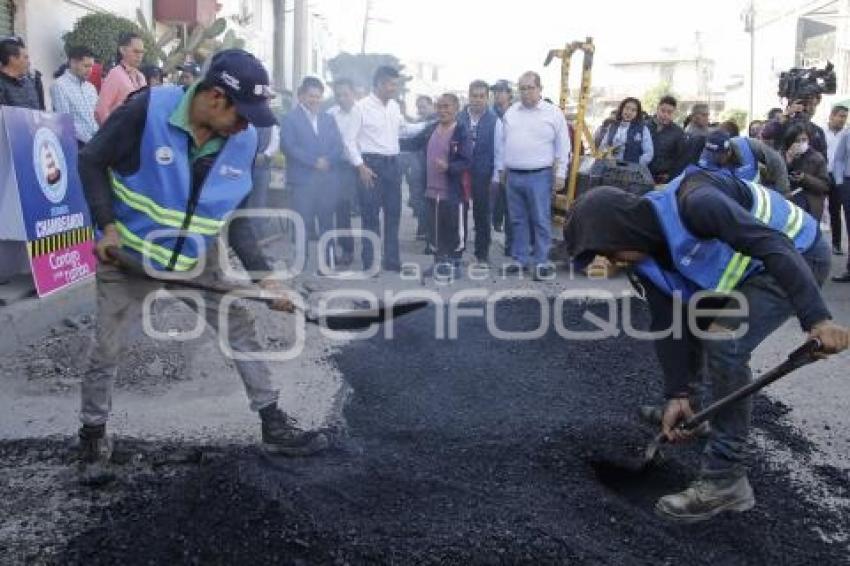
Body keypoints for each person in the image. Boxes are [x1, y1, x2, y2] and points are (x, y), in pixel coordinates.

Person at [76, 49, 329, 484]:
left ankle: (272, 422)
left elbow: (240, 219)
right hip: (130, 256)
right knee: (107, 346)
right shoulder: (146, 110)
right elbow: (91, 160)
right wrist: (108, 227)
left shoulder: (243, 141)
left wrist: (265, 278)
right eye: (243, 114)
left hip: (196, 256)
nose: (247, 125)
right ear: (215, 98)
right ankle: (93, 438)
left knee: (239, 324)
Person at [563, 170, 849, 522]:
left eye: (610, 251)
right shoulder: (646, 256)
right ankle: (696, 410)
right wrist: (678, 394)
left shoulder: (697, 203)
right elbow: (669, 324)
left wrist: (817, 319)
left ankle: (726, 480)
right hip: (751, 268)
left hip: (797, 254)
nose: (614, 261)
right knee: (697, 321)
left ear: (622, 229)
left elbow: (773, 245)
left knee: (724, 339)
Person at [350, 66, 429, 272]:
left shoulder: (394, 107)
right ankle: (371, 262)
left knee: (394, 214)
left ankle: (392, 261)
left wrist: (431, 123)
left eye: (396, 84)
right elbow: (348, 141)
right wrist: (360, 167)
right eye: (391, 84)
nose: (394, 88)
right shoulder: (361, 107)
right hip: (370, 166)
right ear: (378, 84)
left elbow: (404, 130)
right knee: (370, 216)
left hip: (393, 165)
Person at [493, 71, 570, 279]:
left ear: (540, 89)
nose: (526, 92)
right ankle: (520, 260)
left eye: (530, 88)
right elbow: (502, 144)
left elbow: (563, 147)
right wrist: (501, 169)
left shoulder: (553, 113)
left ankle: (542, 261)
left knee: (540, 219)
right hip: (513, 175)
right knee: (517, 220)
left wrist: (561, 174)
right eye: (522, 88)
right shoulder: (511, 113)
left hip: (540, 175)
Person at [279, 76, 346, 269]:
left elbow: (338, 145)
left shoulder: (328, 118)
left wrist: (327, 160)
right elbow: (288, 146)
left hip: (327, 180)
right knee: (302, 223)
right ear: (301, 96)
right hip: (303, 180)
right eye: (311, 96)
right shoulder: (290, 119)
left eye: (318, 96)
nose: (315, 100)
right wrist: (313, 161)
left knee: (326, 221)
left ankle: (328, 262)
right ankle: (300, 262)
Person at [402, 93, 472, 277]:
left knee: (455, 228)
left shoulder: (462, 131)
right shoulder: (431, 128)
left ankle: (455, 264)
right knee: (435, 229)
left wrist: (449, 167)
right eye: (440, 106)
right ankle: (439, 262)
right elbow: (411, 143)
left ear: (456, 109)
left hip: (453, 191)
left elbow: (466, 160)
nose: (442, 110)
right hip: (432, 191)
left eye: (447, 106)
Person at [457, 80, 499, 264]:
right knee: (459, 212)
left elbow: (500, 150)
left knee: (482, 214)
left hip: (484, 173)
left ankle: (482, 254)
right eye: (474, 95)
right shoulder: (458, 118)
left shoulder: (495, 120)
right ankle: (458, 250)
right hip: (460, 173)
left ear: (487, 98)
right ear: (469, 96)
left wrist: (496, 176)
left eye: (482, 96)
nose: (478, 100)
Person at [328, 79, 362, 268]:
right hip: (342, 167)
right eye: (338, 95)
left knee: (369, 209)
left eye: (345, 94)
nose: (342, 98)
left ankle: (370, 250)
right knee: (342, 209)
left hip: (365, 165)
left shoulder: (363, 112)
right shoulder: (330, 114)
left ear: (354, 93)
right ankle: (347, 250)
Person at [698, 130, 790, 197]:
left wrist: (782, 192)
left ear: (728, 151)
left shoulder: (749, 145)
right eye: (710, 154)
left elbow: (776, 161)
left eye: (717, 156)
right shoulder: (704, 161)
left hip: (758, 197)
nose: (713, 159)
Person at [50, 46, 98, 147]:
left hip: (95, 143)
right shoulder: (59, 86)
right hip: (76, 144)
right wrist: (90, 140)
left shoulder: (90, 88)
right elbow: (65, 122)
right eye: (86, 66)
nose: (90, 70)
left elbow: (96, 116)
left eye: (91, 66)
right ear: (73, 62)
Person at [94, 32, 146, 125]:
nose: (139, 56)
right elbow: (101, 110)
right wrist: (112, 133)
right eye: (135, 51)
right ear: (122, 50)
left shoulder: (141, 77)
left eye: (142, 52)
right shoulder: (115, 74)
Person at [782, 123, 830, 221]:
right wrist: (788, 161)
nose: (801, 143)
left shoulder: (817, 158)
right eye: (797, 141)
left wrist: (805, 178)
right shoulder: (781, 155)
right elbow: (775, 178)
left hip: (809, 205)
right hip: (788, 203)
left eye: (804, 140)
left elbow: (824, 186)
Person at [598, 97, 653, 166]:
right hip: (610, 167)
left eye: (633, 110)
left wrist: (634, 165)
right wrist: (607, 156)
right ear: (621, 109)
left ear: (637, 113)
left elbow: (648, 154)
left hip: (631, 171)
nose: (629, 112)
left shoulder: (643, 129)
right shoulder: (612, 126)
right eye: (627, 108)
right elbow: (602, 146)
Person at [490, 79, 513, 238]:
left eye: (501, 91)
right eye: (495, 91)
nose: (497, 94)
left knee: (511, 204)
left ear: (509, 94)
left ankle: (510, 243)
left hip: (513, 164)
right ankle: (494, 222)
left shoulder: (516, 113)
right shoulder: (490, 113)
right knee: (494, 199)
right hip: (493, 163)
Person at [825, 104, 848, 254]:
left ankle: (836, 244)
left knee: (836, 211)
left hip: (838, 177)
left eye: (845, 117)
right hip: (821, 175)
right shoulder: (821, 131)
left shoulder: (846, 134)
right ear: (832, 116)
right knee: (817, 209)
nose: (843, 120)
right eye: (840, 116)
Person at [647, 95, 685, 183]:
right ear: (657, 109)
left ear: (674, 113)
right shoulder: (645, 127)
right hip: (642, 173)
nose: (665, 115)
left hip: (663, 178)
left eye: (669, 112)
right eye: (663, 111)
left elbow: (680, 158)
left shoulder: (678, 133)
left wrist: (671, 175)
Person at [0, 36, 44, 109]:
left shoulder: (31, 81)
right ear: (13, 59)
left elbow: (41, 113)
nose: (29, 62)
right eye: (25, 57)